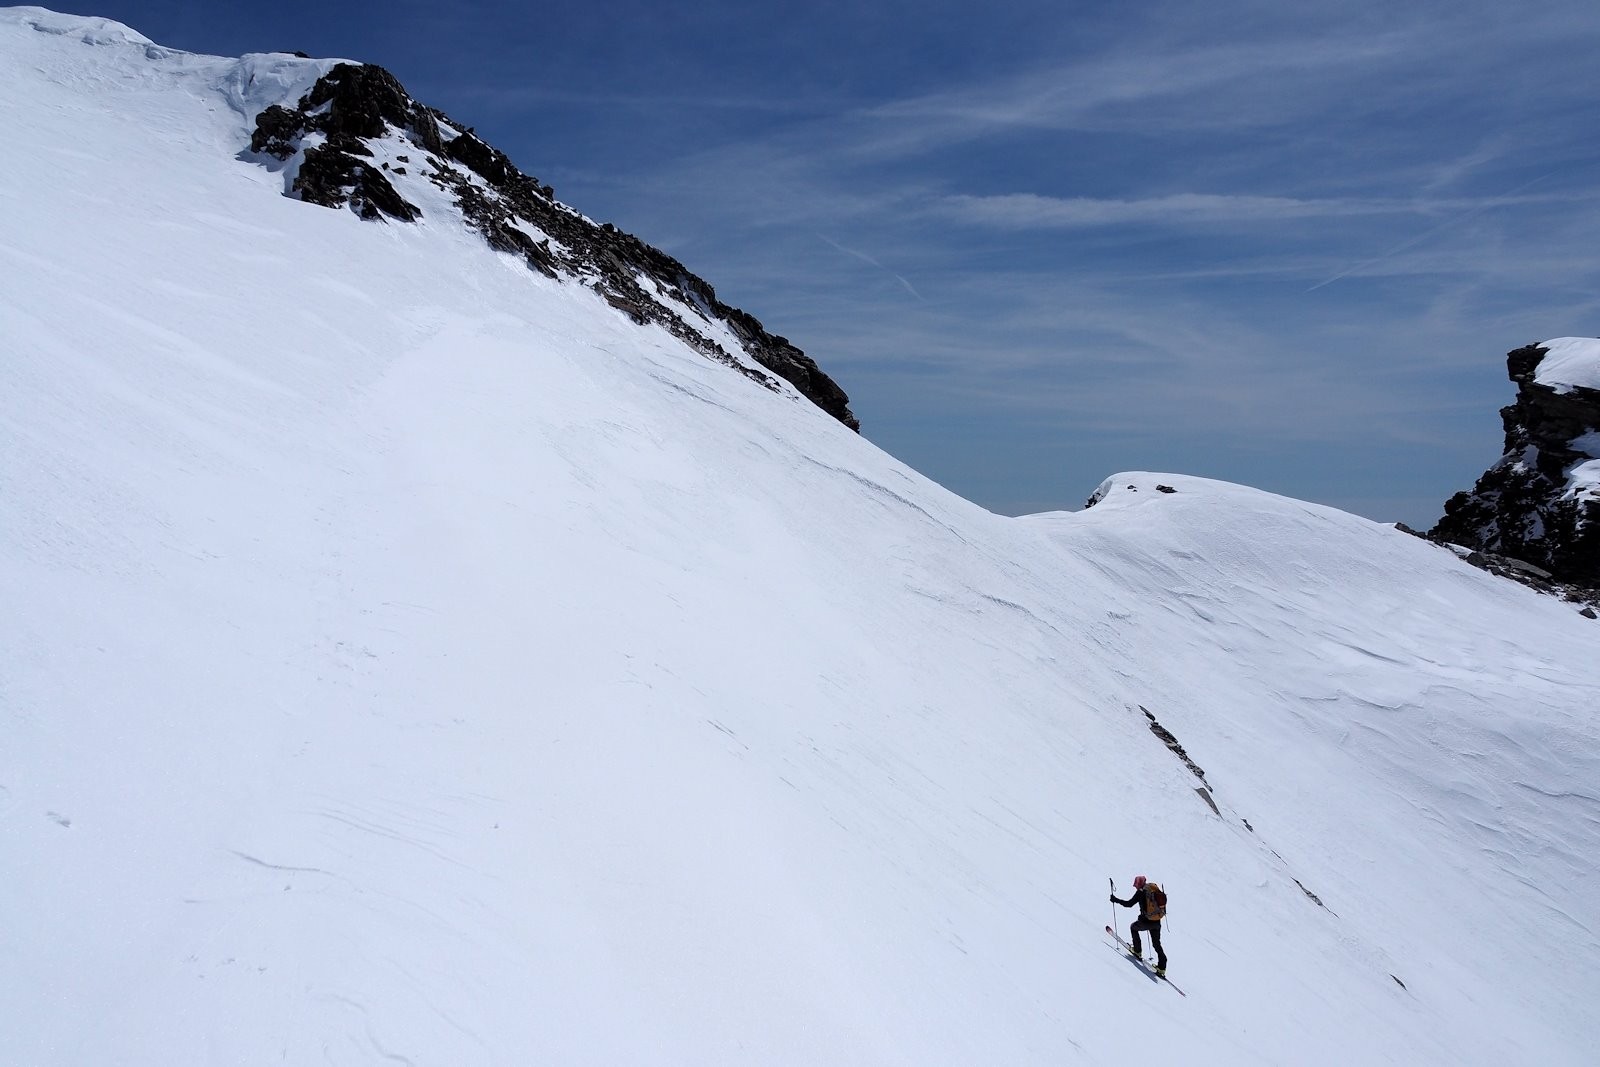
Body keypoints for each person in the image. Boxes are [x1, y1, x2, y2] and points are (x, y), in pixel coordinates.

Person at [1111, 875, 1168, 976]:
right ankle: (1162, 968)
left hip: (1146, 921)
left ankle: (1137, 951)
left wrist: (1116, 900)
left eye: (1136, 885)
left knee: (1133, 927)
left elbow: (1129, 904)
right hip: (1157, 921)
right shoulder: (1152, 889)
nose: (1136, 887)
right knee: (1156, 944)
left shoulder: (1141, 892)